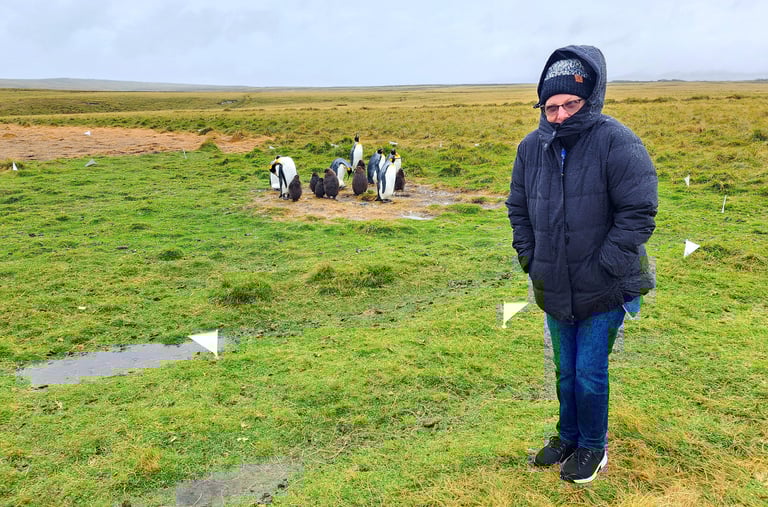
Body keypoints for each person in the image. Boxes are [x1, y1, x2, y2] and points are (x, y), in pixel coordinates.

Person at [505, 45, 658, 483]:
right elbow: (518, 207)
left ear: (590, 97)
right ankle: (568, 435)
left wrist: (607, 264)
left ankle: (594, 446)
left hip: (605, 285)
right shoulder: (530, 148)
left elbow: (639, 212)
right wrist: (531, 258)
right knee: (564, 369)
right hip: (553, 282)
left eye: (569, 104)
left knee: (589, 372)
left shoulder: (617, 141)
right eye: (550, 106)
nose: (559, 115)